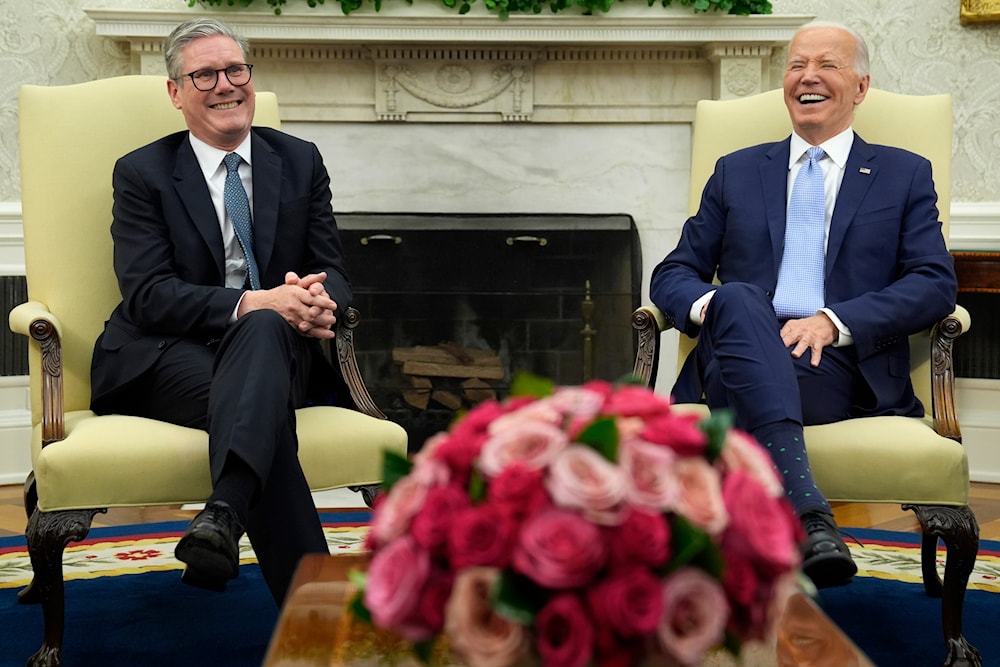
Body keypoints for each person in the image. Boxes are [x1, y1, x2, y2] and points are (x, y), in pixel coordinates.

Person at [649, 20, 957, 589]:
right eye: (796, 65)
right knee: (738, 299)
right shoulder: (738, 171)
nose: (807, 77)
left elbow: (934, 283)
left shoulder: (903, 174)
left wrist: (834, 322)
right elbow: (673, 273)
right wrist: (713, 310)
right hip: (737, 340)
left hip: (838, 363)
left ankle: (751, 545)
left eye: (827, 65)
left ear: (860, 88)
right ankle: (811, 516)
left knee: (748, 336)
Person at [89, 18, 353, 605]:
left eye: (235, 70)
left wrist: (317, 301)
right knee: (263, 393)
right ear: (176, 92)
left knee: (263, 332)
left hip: (277, 350)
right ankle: (318, 618)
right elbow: (147, 293)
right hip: (165, 356)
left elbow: (332, 269)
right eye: (204, 74)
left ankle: (223, 517)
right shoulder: (143, 173)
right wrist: (257, 301)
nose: (224, 84)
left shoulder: (301, 160)